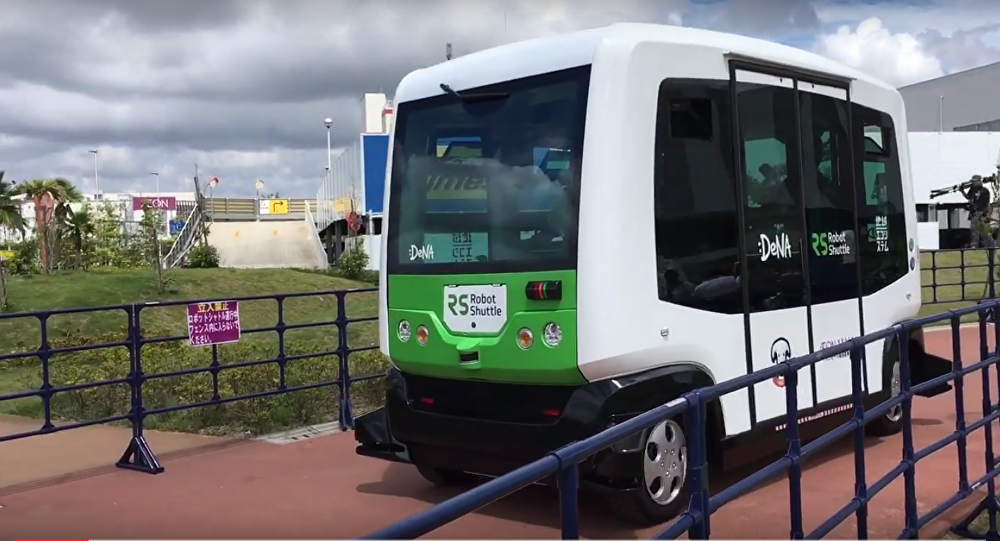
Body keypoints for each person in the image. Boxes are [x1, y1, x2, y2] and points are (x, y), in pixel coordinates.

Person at [961, 175, 992, 248]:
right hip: (973, 212)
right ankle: (974, 244)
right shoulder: (972, 189)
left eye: (974, 181)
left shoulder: (984, 191)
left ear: (979, 181)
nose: (973, 183)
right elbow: (968, 197)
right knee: (974, 229)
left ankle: (986, 244)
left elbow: (987, 203)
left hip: (981, 211)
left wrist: (987, 214)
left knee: (982, 229)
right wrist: (962, 191)